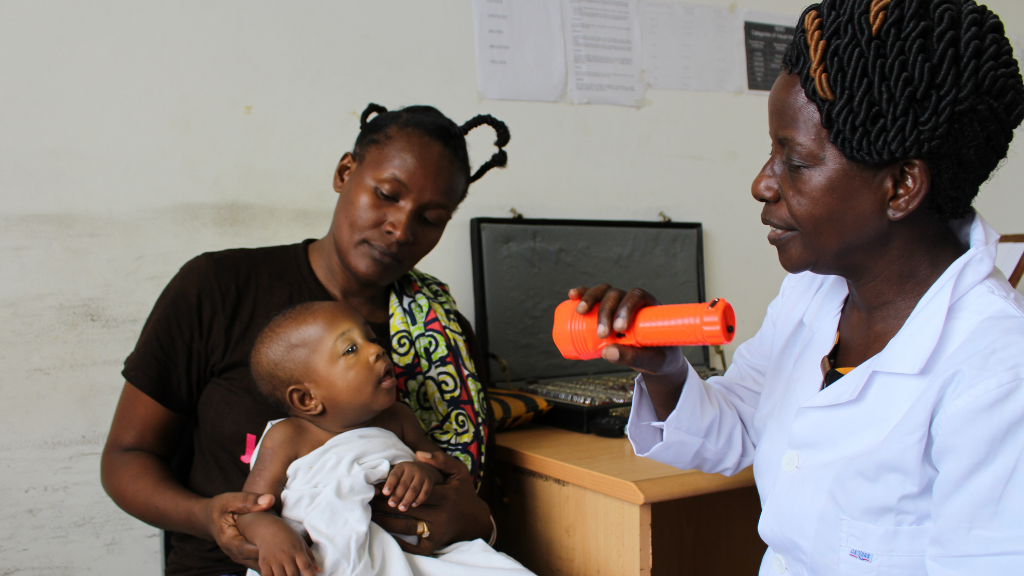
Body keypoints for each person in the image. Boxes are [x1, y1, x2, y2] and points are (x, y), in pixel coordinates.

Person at [571, 1, 1024, 574]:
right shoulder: (815, 296)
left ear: (901, 186)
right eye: (771, 152)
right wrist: (664, 371)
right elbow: (740, 429)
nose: (762, 184)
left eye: (797, 162)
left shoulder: (997, 375)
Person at [101, 103, 510, 576]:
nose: (400, 229)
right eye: (386, 195)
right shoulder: (218, 287)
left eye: (431, 218)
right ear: (344, 172)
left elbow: (477, 490)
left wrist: (478, 521)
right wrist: (209, 518)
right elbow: (126, 457)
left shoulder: (444, 335)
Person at [237, 300, 533, 576]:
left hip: (409, 552)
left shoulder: (399, 418)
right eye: (350, 350)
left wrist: (421, 473)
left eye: (371, 339)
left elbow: (438, 468)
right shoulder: (287, 437)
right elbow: (251, 507)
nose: (376, 350)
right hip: (320, 559)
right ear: (307, 398)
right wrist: (270, 535)